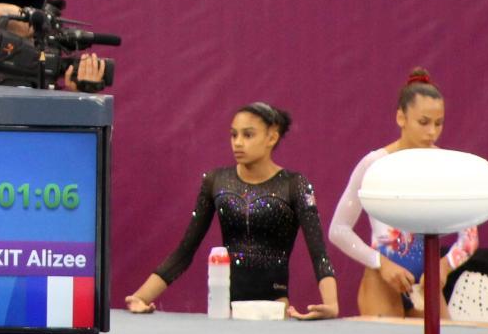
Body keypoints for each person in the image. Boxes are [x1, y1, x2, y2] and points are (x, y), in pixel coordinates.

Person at [125, 103, 338, 318]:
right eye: (233, 135)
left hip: (273, 311)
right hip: (225, 310)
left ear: (271, 138)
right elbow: (184, 251)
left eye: (248, 135)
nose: (237, 143)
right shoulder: (216, 181)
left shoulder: (294, 185)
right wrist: (141, 297)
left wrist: (331, 305)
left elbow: (318, 253)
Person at [329, 67, 479, 318]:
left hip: (426, 282)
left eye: (438, 123)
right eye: (423, 122)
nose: (432, 131)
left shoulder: (448, 167)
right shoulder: (374, 164)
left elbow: (470, 238)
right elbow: (338, 230)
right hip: (383, 279)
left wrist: (444, 265)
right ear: (401, 117)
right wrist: (380, 263)